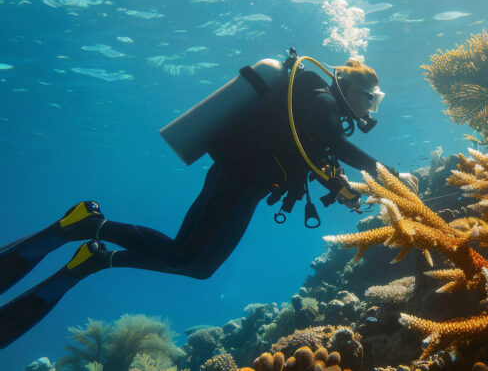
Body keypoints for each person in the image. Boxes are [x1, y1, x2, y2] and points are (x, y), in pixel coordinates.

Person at [0, 52, 418, 348]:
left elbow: (315, 154)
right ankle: (89, 228)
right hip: (237, 180)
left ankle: (96, 256)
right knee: (187, 253)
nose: (371, 107)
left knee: (199, 266)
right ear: (349, 88)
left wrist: (339, 188)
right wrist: (390, 175)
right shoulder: (324, 100)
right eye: (371, 97)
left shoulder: (319, 107)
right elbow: (337, 148)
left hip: (244, 184)